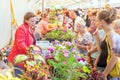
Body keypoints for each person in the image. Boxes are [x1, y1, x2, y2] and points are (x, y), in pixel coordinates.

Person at [8, 12, 36, 76]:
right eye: (32, 21)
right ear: (26, 20)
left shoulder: (29, 28)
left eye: (35, 21)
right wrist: (28, 50)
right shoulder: (21, 29)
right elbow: (20, 43)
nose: (34, 23)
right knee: (18, 76)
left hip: (24, 57)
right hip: (18, 58)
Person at [95, 8, 120, 80]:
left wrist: (104, 73)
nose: (95, 23)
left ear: (102, 21)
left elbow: (115, 56)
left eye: (97, 21)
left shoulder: (111, 34)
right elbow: (101, 52)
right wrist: (97, 38)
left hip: (110, 73)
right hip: (107, 70)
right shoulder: (107, 33)